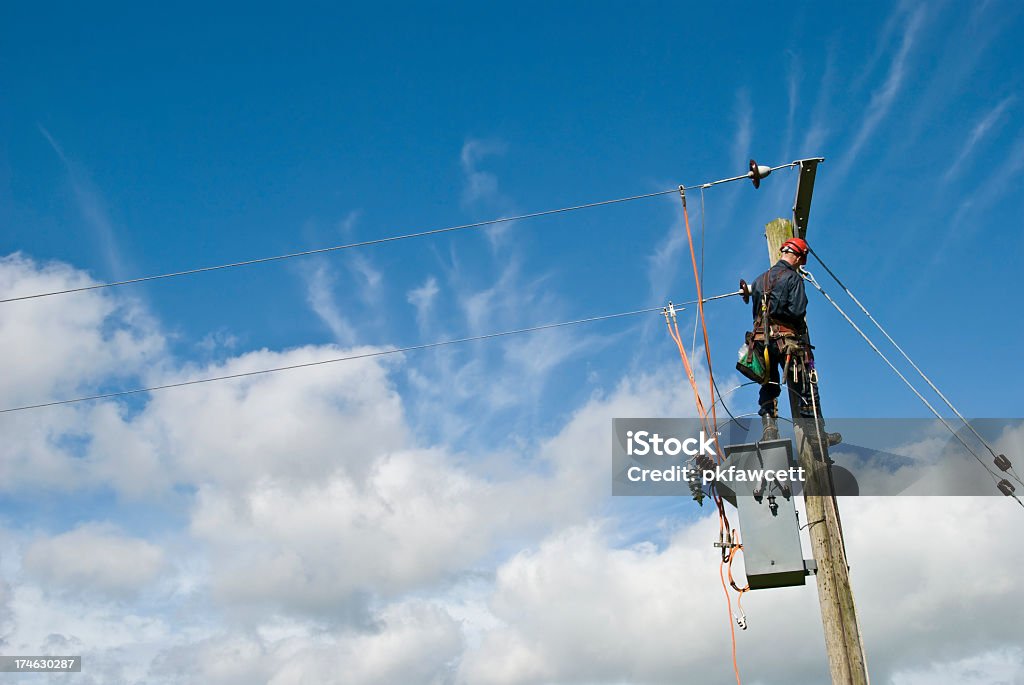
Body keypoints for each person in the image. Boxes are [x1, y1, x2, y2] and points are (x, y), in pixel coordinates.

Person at [744, 237, 833, 442]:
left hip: (760, 342)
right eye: (800, 261)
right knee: (805, 384)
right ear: (797, 256)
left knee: (768, 383)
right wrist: (800, 333)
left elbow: (755, 312)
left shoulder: (759, 280)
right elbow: (797, 310)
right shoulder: (793, 278)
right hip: (787, 342)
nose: (800, 266)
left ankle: (769, 428)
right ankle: (816, 434)